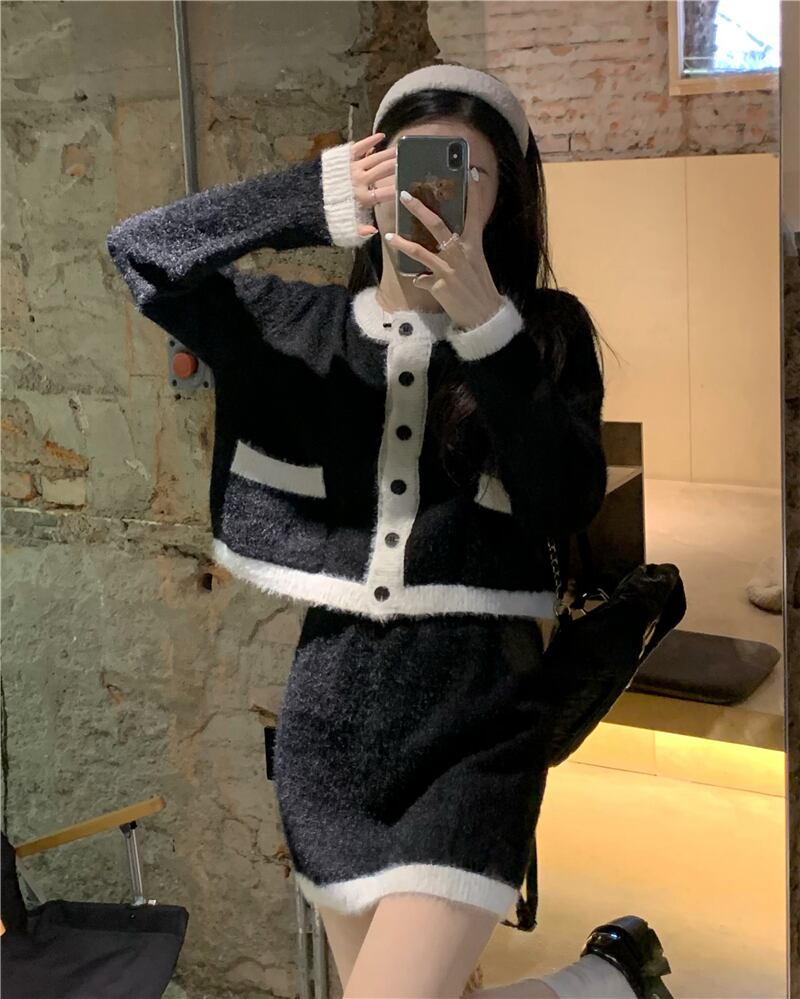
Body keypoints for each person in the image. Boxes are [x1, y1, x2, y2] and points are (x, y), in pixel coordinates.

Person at [106, 62, 673, 999]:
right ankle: (612, 980)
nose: (435, 193)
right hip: (329, 728)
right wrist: (315, 194)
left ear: (504, 196)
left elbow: (567, 499)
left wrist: (487, 329)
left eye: (466, 171)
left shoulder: (544, 334)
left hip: (477, 718)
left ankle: (605, 982)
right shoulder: (302, 324)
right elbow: (143, 251)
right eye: (410, 168)